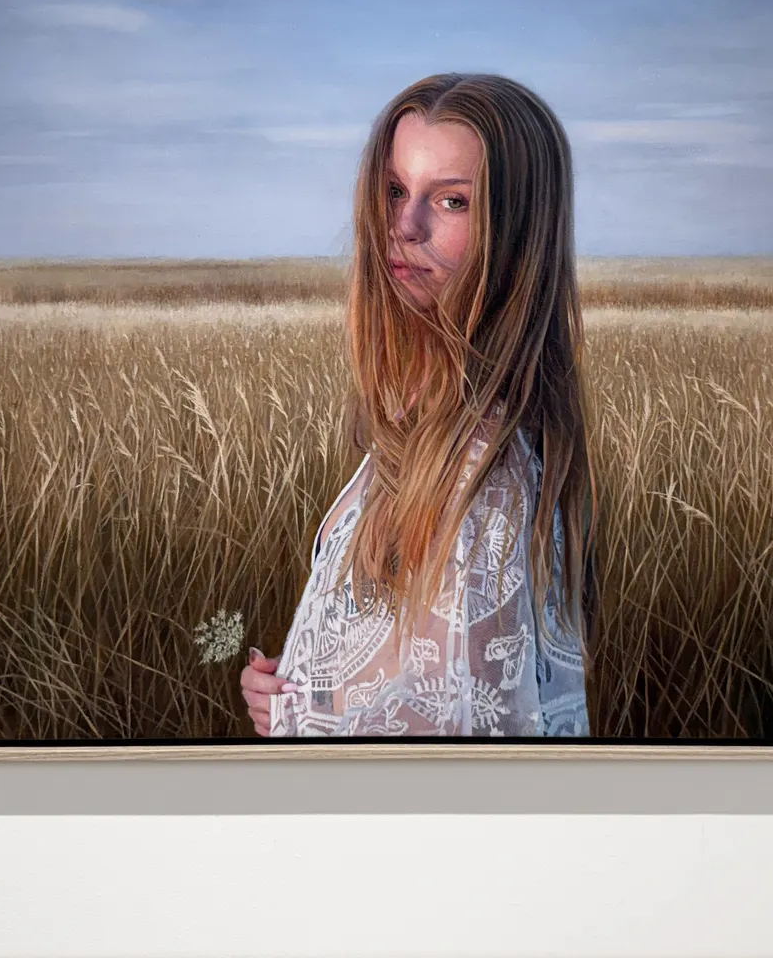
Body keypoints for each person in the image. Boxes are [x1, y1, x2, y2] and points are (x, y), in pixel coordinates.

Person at [238, 72, 598, 738]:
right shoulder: (430, 424)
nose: (405, 226)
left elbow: (466, 741)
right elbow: (424, 673)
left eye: (453, 202)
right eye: (397, 191)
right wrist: (307, 684)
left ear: (516, 231)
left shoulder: (483, 481)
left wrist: (307, 715)